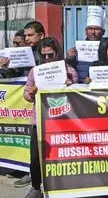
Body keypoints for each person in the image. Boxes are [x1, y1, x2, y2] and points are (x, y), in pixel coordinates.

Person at [24, 37, 78, 198]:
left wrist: (70, 87)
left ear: (58, 53)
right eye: (44, 55)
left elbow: (78, 98)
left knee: (61, 157)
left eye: (50, 54)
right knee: (35, 158)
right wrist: (31, 93)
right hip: (39, 120)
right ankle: (35, 188)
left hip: (62, 122)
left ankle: (62, 188)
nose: (47, 58)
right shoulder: (36, 71)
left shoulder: (70, 71)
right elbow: (26, 95)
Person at [67, 6, 106, 82]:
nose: (92, 32)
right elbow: (70, 71)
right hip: (81, 87)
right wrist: (69, 59)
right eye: (90, 29)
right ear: (86, 31)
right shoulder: (77, 50)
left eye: (96, 29)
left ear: (103, 32)